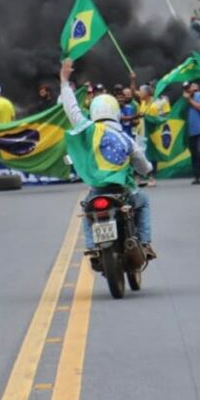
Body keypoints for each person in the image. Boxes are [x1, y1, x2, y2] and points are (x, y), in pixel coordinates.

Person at [59, 59, 155, 261]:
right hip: (122, 190)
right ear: (116, 112)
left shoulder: (89, 129)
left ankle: (92, 246)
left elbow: (72, 109)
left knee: (88, 210)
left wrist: (64, 82)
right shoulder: (126, 138)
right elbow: (143, 165)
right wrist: (148, 170)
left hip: (98, 190)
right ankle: (145, 244)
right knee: (143, 202)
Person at [185, 81, 200, 184]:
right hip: (191, 130)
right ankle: (196, 176)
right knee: (193, 154)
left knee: (199, 152)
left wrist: (189, 99)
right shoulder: (185, 98)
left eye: (194, 86)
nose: (192, 88)